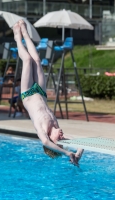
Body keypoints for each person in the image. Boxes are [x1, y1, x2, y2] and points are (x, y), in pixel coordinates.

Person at [13, 20, 84, 166]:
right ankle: (25, 33)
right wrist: (76, 155)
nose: (63, 134)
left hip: (27, 94)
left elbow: (45, 141)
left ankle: (17, 38)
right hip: (41, 92)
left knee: (27, 60)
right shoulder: (56, 129)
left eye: (61, 138)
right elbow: (81, 144)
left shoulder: (44, 132)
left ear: (54, 141)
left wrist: (65, 153)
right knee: (37, 60)